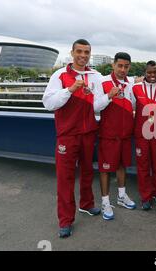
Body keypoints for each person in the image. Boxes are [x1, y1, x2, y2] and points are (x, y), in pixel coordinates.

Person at [42, 39, 104, 238]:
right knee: (65, 178)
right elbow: (49, 103)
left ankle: (87, 204)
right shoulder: (59, 75)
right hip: (67, 135)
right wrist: (69, 90)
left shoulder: (95, 76)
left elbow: (98, 105)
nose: (83, 55)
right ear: (72, 52)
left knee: (87, 172)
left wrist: (110, 96)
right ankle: (65, 220)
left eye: (86, 52)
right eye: (79, 51)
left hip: (88, 133)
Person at [95, 52, 137, 221]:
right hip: (108, 135)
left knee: (122, 165)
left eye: (126, 66)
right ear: (113, 65)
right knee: (105, 169)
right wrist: (109, 96)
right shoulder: (102, 81)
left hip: (125, 135)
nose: (122, 69)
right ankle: (105, 201)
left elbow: (133, 105)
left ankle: (121, 195)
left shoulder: (131, 84)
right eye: (119, 65)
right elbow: (95, 107)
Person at [132, 61, 156, 210]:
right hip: (141, 133)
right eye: (149, 73)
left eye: (155, 73)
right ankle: (146, 196)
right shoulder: (136, 87)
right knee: (143, 166)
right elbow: (131, 106)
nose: (152, 75)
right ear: (145, 73)